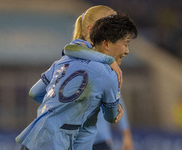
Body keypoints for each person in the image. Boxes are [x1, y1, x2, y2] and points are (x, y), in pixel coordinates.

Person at [15, 14, 137, 150]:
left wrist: (58, 107)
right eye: (126, 44)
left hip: (33, 139)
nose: (127, 51)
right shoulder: (108, 74)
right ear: (106, 44)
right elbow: (111, 116)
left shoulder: (64, 60)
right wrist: (116, 111)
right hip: (57, 143)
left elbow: (35, 93)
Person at [64, 5, 134, 150]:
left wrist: (126, 133)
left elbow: (117, 98)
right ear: (91, 30)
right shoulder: (75, 62)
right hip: (75, 142)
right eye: (111, 25)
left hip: (100, 140)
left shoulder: (106, 64)